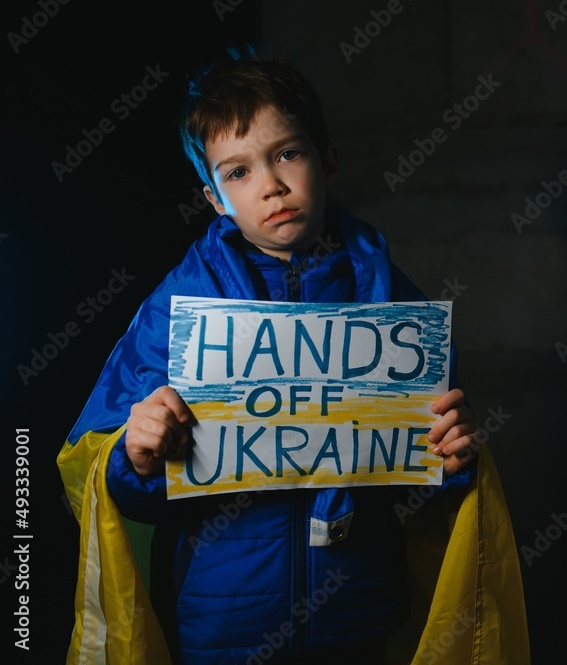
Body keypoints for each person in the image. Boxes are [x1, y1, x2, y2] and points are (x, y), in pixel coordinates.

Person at [57, 46, 530, 665]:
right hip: (220, 623)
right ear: (213, 197)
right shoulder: (179, 307)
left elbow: (424, 477)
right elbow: (126, 493)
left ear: (326, 159)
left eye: (287, 153)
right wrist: (135, 458)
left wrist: (452, 458)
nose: (272, 185)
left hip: (357, 613)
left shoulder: (390, 299)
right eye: (239, 171)